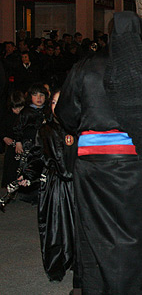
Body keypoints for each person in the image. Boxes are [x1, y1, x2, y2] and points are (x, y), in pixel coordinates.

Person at [56, 12, 142, 294]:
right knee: (136, 233)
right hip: (134, 166)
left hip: (91, 168)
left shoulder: (85, 68)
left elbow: (65, 113)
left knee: (94, 232)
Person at [18, 89, 79, 287]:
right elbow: (37, 158)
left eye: (60, 102)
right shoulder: (45, 131)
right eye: (52, 102)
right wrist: (28, 175)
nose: (56, 106)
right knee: (56, 227)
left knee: (81, 227)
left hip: (80, 185)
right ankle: (57, 264)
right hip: (56, 186)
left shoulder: (83, 128)